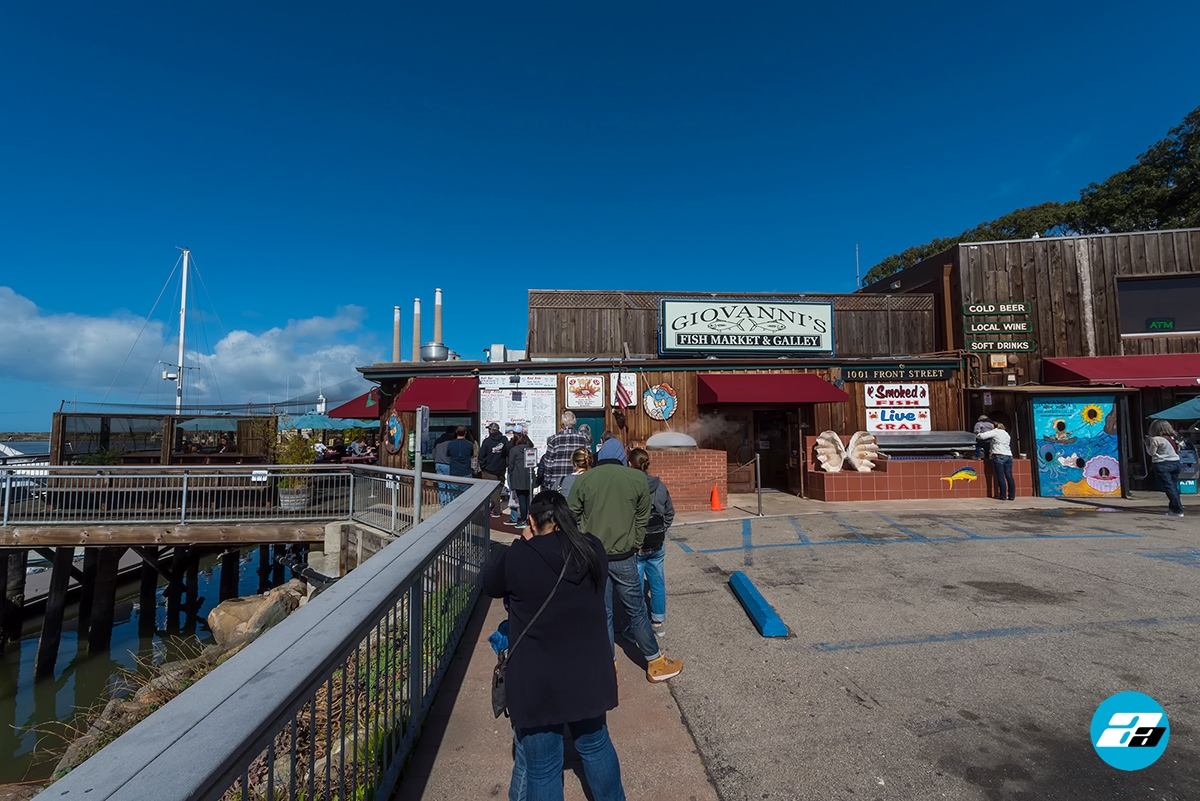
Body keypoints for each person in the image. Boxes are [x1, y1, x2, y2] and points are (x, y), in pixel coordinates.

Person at [483, 491, 626, 801]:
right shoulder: (592, 550)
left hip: (537, 680)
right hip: (588, 672)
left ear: (531, 521)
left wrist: (522, 542)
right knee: (596, 746)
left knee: (543, 767)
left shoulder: (519, 556)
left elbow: (490, 585)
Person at [568, 443, 683, 683]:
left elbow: (571, 516)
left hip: (594, 555)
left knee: (603, 612)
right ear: (622, 458)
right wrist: (636, 541)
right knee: (638, 611)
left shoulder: (584, 480)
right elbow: (642, 514)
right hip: (624, 554)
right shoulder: (635, 478)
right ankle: (655, 662)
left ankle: (607, 664)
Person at [628, 448, 674, 636]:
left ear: (630, 464)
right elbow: (670, 512)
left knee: (635, 585)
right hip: (657, 542)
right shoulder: (660, 485)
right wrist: (662, 530)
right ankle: (658, 622)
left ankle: (636, 627)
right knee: (657, 582)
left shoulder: (629, 486)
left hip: (636, 545)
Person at [543, 412, 590, 491]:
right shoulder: (583, 439)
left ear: (562, 422)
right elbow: (588, 459)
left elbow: (548, 464)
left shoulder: (554, 439)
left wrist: (547, 482)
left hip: (557, 482)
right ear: (575, 422)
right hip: (579, 481)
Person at [1146, 419, 1184, 517]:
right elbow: (1178, 449)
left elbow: (1151, 453)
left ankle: (1178, 510)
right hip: (1176, 463)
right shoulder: (1174, 438)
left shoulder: (1156, 439)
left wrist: (1147, 445)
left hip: (1162, 464)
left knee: (1168, 487)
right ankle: (1173, 508)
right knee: (1173, 487)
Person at [480, 422, 511, 517]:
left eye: (489, 429)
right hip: (501, 468)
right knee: (498, 489)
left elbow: (481, 456)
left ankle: (497, 511)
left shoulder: (487, 441)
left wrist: (483, 467)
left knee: (493, 491)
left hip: (490, 469)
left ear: (491, 430)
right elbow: (507, 453)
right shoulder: (504, 439)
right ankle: (494, 506)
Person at [506, 431, 536, 529]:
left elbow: (511, 465)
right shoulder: (530, 449)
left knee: (522, 499)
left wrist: (510, 474)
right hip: (529, 476)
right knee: (528, 499)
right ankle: (529, 519)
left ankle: (523, 520)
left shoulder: (514, 450)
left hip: (518, 477)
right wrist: (525, 435)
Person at [976, 423, 1014, 500]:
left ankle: (1003, 495)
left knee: (1000, 476)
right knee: (1009, 476)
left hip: (998, 455)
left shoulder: (996, 431)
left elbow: (982, 436)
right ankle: (1011, 495)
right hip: (1009, 455)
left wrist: (977, 434)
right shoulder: (1007, 434)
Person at [445, 426, 475, 495]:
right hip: (466, 472)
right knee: (466, 495)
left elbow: (448, 454)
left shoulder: (450, 444)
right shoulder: (470, 444)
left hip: (454, 472)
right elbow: (472, 455)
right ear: (465, 433)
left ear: (456, 432)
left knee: (453, 495)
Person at [433, 426, 457, 505]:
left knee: (441, 485)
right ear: (453, 433)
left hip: (438, 464)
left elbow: (434, 453)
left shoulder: (438, 441)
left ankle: (443, 502)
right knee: (450, 484)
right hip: (448, 464)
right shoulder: (452, 441)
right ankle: (449, 502)